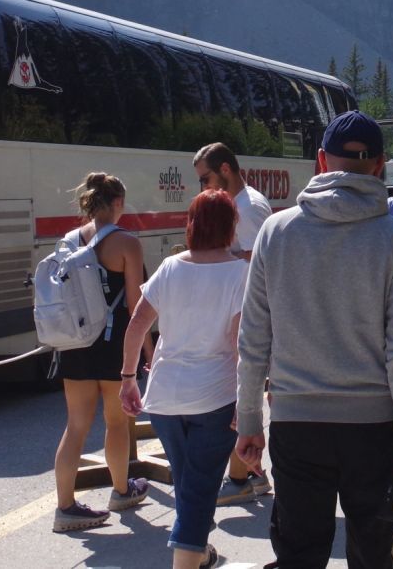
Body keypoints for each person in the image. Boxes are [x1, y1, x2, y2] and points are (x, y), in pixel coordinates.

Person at [235, 110, 393, 569]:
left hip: (295, 424)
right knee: (371, 554)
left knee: (298, 555)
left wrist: (248, 420)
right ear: (379, 165)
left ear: (322, 160)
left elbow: (253, 337)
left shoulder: (276, 232)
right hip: (373, 428)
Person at [119, 189, 248, 569]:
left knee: (189, 484)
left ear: (191, 224)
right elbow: (239, 343)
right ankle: (188, 556)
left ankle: (199, 551)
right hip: (215, 396)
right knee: (200, 485)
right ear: (232, 225)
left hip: (164, 398)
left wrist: (128, 378)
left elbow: (138, 324)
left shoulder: (170, 266)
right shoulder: (240, 273)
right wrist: (248, 401)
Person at [52, 172, 152, 534]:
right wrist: (148, 350)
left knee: (76, 425)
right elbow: (135, 304)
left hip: (75, 342)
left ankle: (65, 507)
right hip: (114, 344)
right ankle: (122, 491)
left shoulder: (67, 241)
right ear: (117, 203)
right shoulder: (127, 243)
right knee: (116, 421)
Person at [193, 141, 274, 504]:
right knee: (238, 397)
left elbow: (261, 263)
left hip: (250, 316)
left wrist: (221, 259)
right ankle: (252, 474)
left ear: (225, 169)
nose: (203, 186)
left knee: (240, 398)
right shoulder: (240, 203)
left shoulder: (249, 207)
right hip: (243, 314)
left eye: (206, 178)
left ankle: (243, 477)